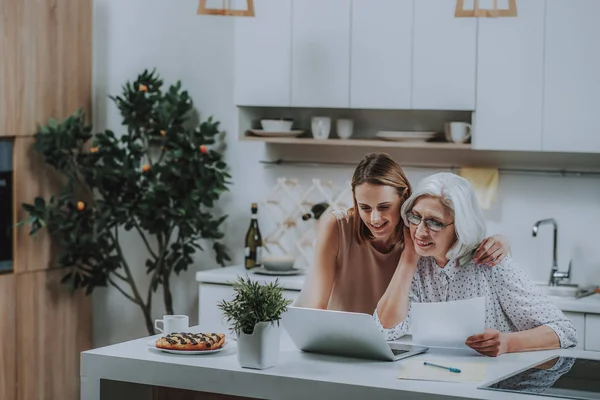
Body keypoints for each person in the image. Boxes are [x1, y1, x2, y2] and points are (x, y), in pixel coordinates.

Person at [374, 172, 577, 356]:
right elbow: (385, 330)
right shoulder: (417, 265)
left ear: (461, 226)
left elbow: (564, 330)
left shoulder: (490, 261)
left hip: (494, 383)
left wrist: (508, 343)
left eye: (434, 222)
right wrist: (409, 257)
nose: (419, 232)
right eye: (415, 217)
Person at [295, 153, 511, 315]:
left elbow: (462, 236)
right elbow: (316, 307)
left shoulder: (419, 235)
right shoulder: (336, 225)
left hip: (398, 343)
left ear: (404, 197)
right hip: (337, 338)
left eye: (384, 206)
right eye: (365, 208)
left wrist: (502, 241)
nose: (375, 219)